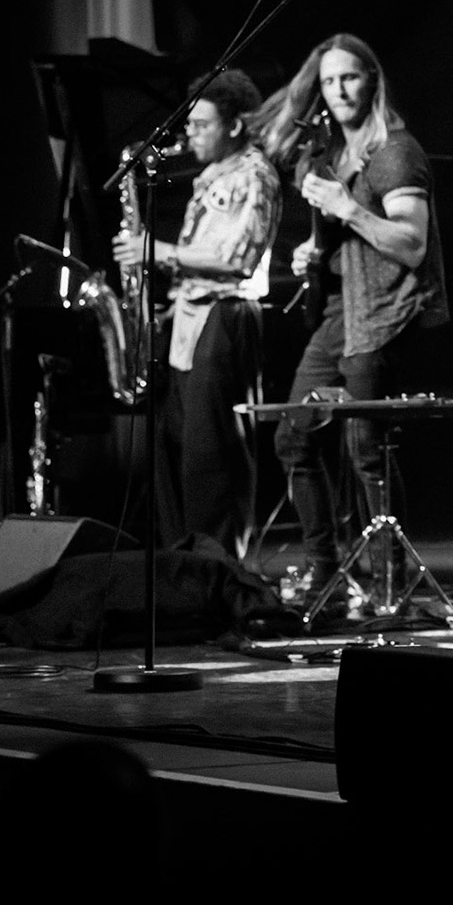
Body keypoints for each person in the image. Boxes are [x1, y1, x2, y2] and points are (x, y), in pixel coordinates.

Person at [258, 34, 449, 611]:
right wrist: (315, 255)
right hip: (344, 314)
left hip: (387, 312)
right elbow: (352, 244)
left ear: (373, 80)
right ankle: (325, 570)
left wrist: (346, 208)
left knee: (367, 450)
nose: (339, 90)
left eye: (350, 78)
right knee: (294, 436)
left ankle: (391, 582)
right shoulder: (333, 156)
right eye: (328, 81)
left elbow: (411, 244)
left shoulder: (394, 153)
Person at [112, 69, 279, 558]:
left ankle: (218, 570)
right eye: (190, 125)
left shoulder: (254, 174)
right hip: (188, 318)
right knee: (175, 452)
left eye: (201, 125)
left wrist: (156, 250)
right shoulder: (209, 176)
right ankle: (181, 564)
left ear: (232, 126)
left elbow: (236, 259)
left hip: (226, 316)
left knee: (213, 457)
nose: (190, 135)